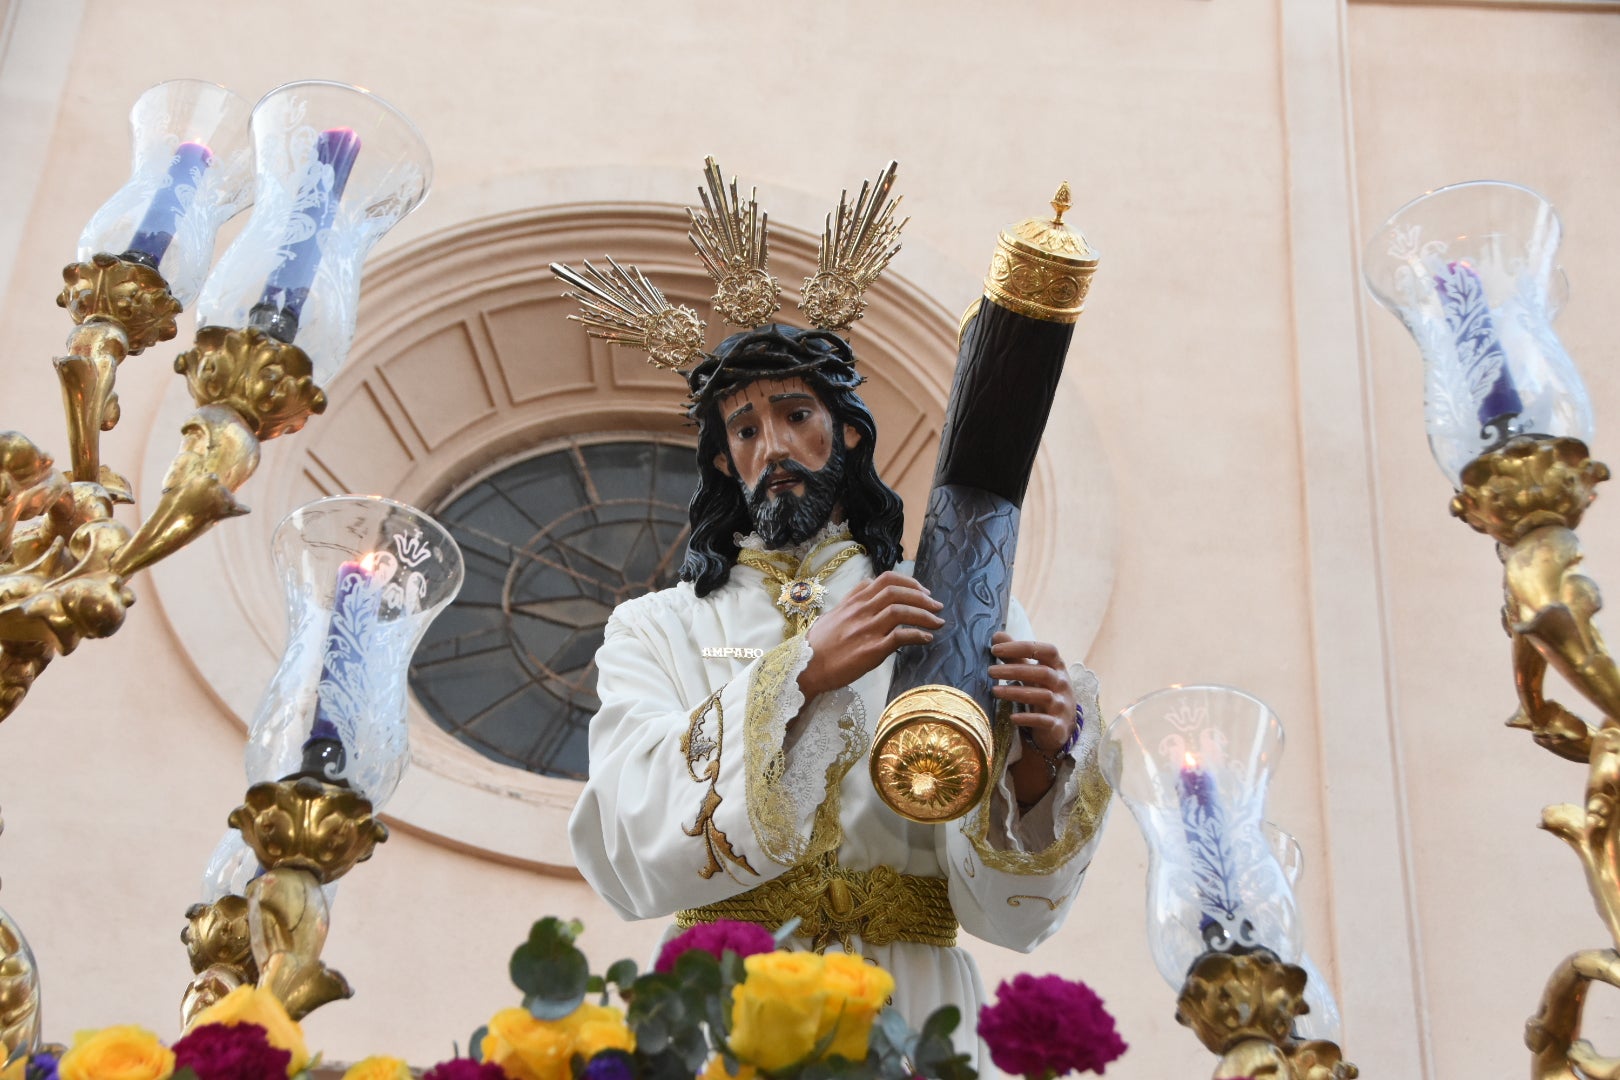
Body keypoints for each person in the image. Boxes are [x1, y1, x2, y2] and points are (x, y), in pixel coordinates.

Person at [567, 323, 1110, 1070]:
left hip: (911, 1001)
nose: (775, 448)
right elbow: (627, 834)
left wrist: (1040, 763)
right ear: (725, 459)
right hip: (727, 1000)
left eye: (797, 416)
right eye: (748, 429)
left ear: (848, 434)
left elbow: (1010, 916)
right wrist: (799, 672)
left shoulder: (953, 603)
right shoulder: (656, 627)